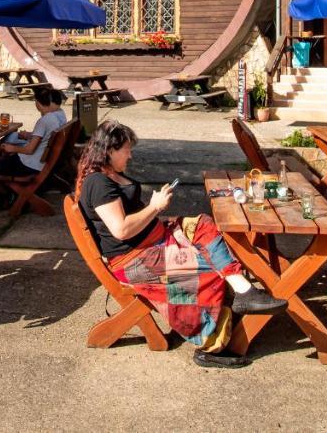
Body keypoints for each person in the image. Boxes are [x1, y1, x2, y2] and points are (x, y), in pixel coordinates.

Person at [75, 121, 287, 368]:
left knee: (204, 224)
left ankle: (243, 292)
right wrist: (154, 208)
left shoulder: (110, 175)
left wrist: (158, 215)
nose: (130, 154)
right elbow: (121, 229)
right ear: (109, 150)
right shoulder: (98, 184)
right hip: (136, 259)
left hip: (152, 241)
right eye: (126, 149)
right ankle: (210, 346)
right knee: (207, 270)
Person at [0, 86, 67, 197]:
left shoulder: (45, 120)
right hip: (41, 162)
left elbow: (29, 150)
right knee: (8, 145)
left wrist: (12, 148)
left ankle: (8, 195)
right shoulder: (60, 115)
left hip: (28, 164)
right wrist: (30, 136)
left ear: (37, 102)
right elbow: (44, 138)